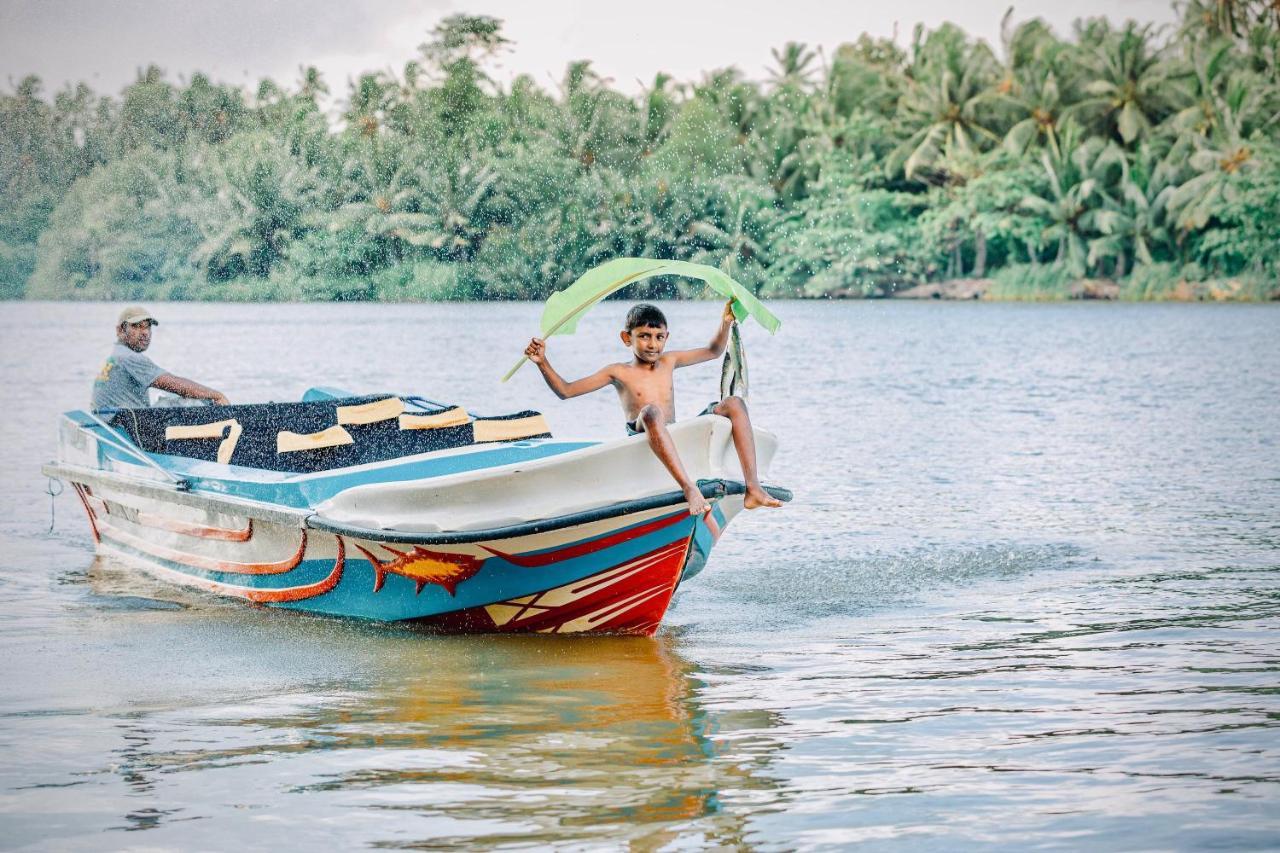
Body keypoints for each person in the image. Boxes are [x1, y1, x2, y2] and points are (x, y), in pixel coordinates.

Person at [524, 301, 783, 516]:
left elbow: (714, 351)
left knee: (734, 403)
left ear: (666, 337)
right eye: (644, 337)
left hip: (672, 431)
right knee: (651, 411)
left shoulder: (669, 360)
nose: (652, 344)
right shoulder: (618, 371)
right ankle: (689, 488)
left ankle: (753, 488)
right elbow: (566, 391)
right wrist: (542, 362)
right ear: (627, 338)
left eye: (659, 337)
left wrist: (726, 321)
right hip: (641, 431)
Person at [91, 306, 228, 410]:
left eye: (147, 327)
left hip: (116, 422)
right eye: (137, 327)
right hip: (124, 431)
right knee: (193, 401)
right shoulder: (129, 358)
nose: (145, 333)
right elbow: (175, 384)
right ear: (120, 330)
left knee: (173, 399)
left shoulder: (117, 354)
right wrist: (216, 395)